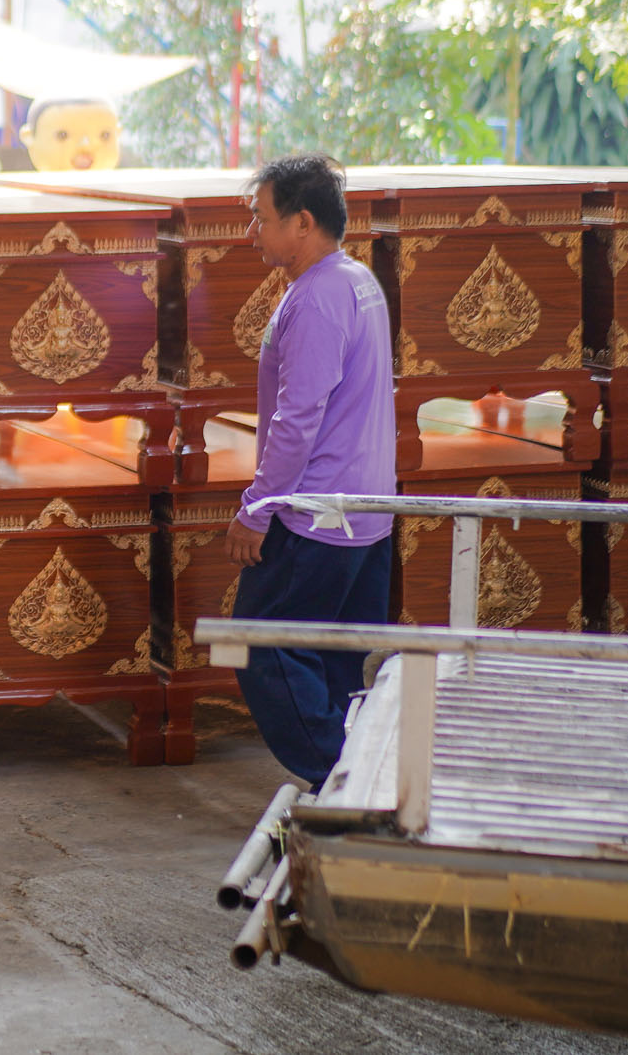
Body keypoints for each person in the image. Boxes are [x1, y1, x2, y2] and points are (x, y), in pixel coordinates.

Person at [224, 153, 395, 791]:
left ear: (302, 222)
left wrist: (257, 509)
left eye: (261, 218)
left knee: (261, 644)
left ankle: (345, 782)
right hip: (366, 511)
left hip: (319, 515)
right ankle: (361, 775)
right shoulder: (355, 281)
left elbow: (298, 420)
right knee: (332, 659)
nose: (253, 232)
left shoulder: (320, 297)